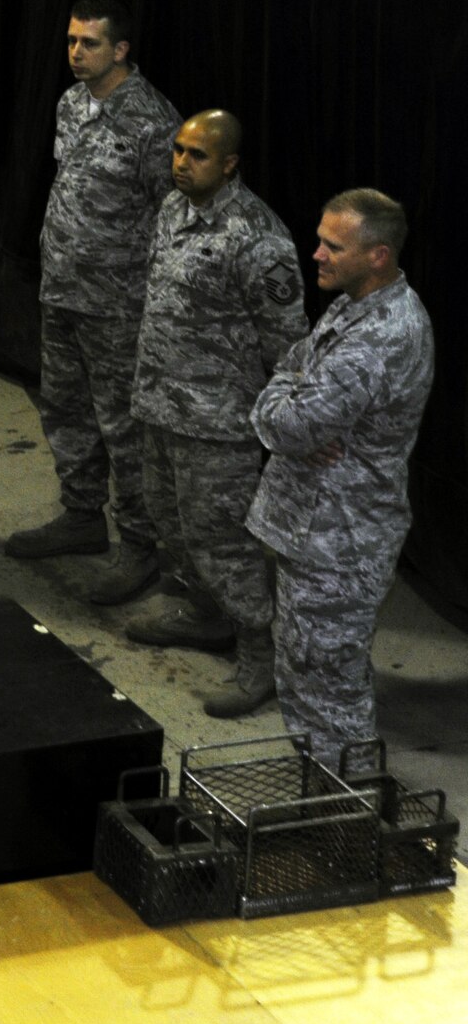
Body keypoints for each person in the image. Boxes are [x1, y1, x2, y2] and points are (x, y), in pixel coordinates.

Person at [125, 111, 305, 717]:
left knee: (224, 544)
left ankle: (260, 661)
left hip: (217, 422)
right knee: (170, 525)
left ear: (229, 163)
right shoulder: (174, 209)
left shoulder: (259, 237)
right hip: (159, 404)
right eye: (177, 149)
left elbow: (287, 340)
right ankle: (205, 617)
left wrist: (287, 424)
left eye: (196, 154)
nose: (180, 162)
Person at [5, 0, 181, 600]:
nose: (76, 53)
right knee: (66, 411)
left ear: (121, 49)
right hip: (63, 290)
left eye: (90, 44)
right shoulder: (72, 104)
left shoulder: (153, 123)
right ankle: (81, 517)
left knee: (123, 428)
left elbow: (170, 215)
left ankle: (139, 547)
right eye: (72, 42)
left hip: (118, 305)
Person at [246, 189, 433, 759]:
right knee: (304, 675)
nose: (317, 254)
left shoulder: (378, 338)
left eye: (333, 245)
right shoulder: (356, 303)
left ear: (378, 255)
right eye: (320, 240)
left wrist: (278, 402)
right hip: (317, 528)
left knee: (330, 692)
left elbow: (288, 426)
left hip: (341, 538)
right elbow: (292, 365)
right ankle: (322, 802)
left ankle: (348, 818)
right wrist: (287, 390)